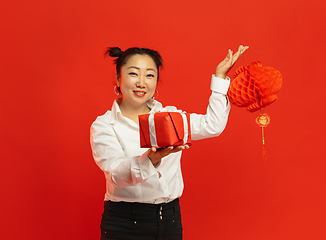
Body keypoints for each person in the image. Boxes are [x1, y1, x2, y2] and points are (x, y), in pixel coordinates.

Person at [90, 45, 249, 240]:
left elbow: (212, 125)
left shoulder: (170, 117)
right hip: (125, 223)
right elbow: (116, 174)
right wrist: (151, 160)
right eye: (133, 73)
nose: (141, 82)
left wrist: (220, 77)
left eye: (150, 75)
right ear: (118, 78)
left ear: (156, 82)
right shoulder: (105, 125)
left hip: (170, 220)